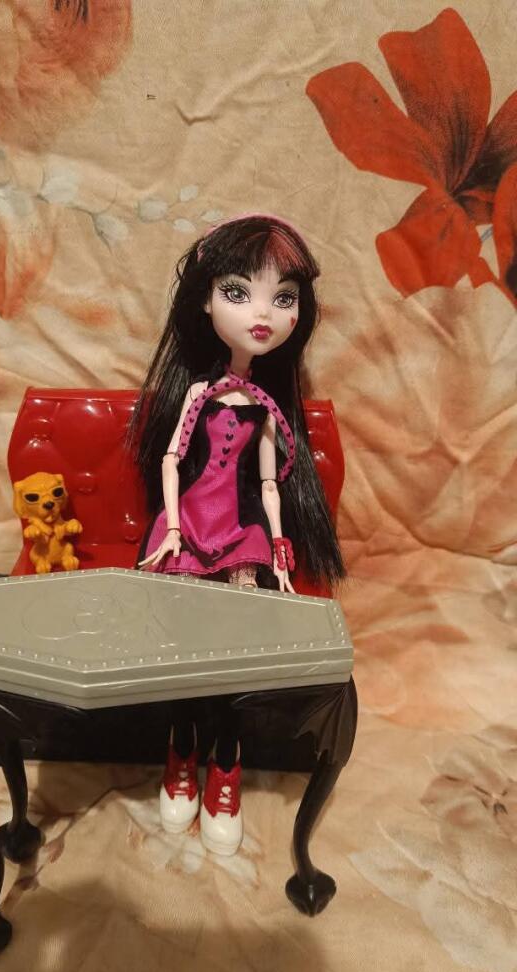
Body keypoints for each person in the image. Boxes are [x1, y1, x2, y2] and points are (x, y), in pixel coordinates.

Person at [129, 214, 344, 856]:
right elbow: (171, 460)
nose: (263, 313)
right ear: (204, 299)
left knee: (232, 656)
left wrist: (278, 547)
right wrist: (171, 528)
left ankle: (226, 762)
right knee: (181, 651)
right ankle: (182, 749)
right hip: (191, 524)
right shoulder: (198, 393)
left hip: (240, 531)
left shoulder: (267, 407)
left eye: (283, 298)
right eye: (238, 292)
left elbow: (271, 483)